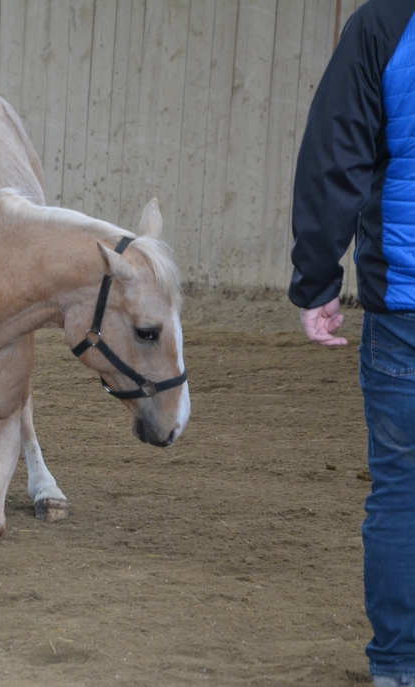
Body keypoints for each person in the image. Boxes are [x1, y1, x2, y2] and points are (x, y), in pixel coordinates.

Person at [291, 1, 415, 684]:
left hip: (405, 302)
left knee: (400, 489)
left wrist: (316, 279)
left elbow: (335, 153)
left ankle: (399, 664)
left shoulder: (382, 25)